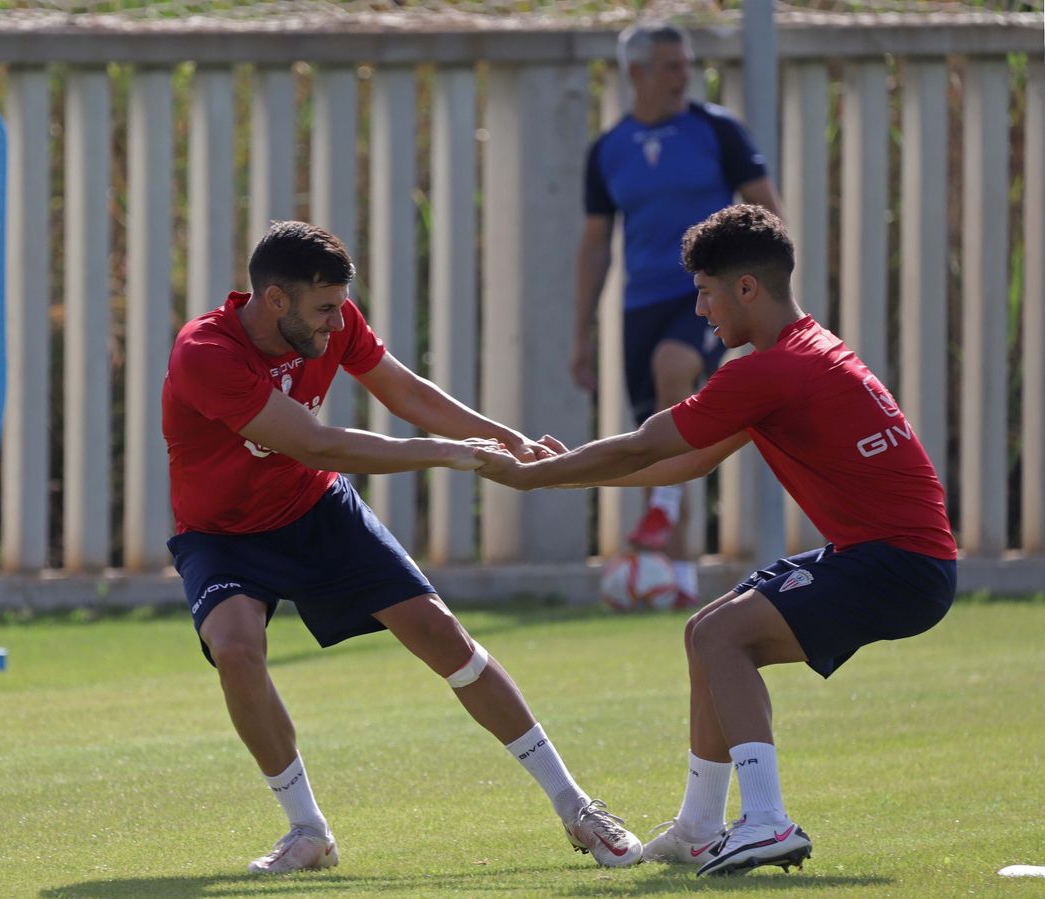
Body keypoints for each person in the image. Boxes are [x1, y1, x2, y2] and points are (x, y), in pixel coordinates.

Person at [477, 205, 957, 876]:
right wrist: (558, 478)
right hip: (895, 557)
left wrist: (532, 477)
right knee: (706, 630)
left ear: (747, 289)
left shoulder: (768, 371)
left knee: (718, 637)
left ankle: (766, 819)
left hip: (896, 564)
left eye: (705, 291)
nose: (701, 310)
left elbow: (644, 442)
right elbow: (687, 459)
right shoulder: (799, 352)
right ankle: (699, 825)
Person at [162, 221, 643, 874]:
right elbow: (315, 441)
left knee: (442, 633)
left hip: (313, 509)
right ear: (275, 301)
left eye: (339, 307)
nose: (337, 324)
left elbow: (407, 392)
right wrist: (445, 455)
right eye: (324, 309)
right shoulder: (205, 353)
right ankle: (308, 831)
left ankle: (577, 807)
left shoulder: (334, 318)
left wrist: (506, 437)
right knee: (236, 648)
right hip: (222, 536)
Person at [574, 21, 783, 607]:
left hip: (708, 296)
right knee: (670, 437)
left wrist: (763, 296)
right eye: (671, 65)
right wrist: (579, 335)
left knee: (675, 365)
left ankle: (660, 511)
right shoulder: (608, 150)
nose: (684, 75)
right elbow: (594, 245)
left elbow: (768, 211)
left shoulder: (717, 130)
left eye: (687, 64)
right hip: (638, 304)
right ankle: (682, 580)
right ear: (636, 73)